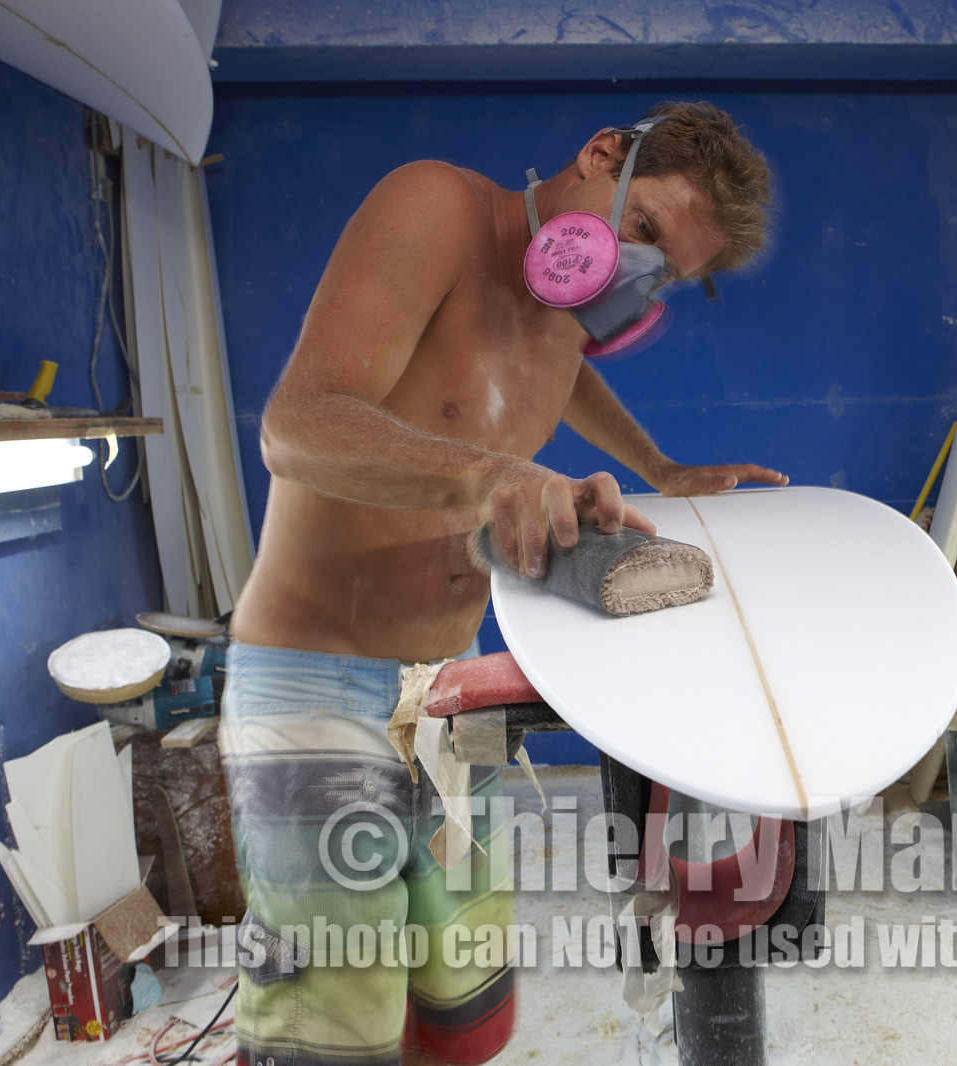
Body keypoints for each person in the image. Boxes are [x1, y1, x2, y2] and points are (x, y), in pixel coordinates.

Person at [219, 101, 785, 1066]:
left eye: (666, 270)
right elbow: (297, 426)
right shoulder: (436, 207)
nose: (639, 269)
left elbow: (557, 376)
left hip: (450, 693)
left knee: (463, 1010)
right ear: (602, 154)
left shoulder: (561, 312)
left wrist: (661, 464)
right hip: (318, 682)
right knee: (328, 1032)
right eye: (642, 226)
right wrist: (493, 475)